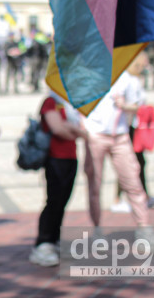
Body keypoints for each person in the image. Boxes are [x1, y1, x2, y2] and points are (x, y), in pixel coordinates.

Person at [83, 55, 154, 240]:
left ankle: (144, 227)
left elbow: (139, 106)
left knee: (133, 181)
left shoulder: (125, 78)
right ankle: (97, 229)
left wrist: (125, 106)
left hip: (120, 136)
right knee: (95, 185)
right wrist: (84, 128)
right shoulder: (88, 76)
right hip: (95, 136)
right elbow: (77, 106)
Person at [29, 92, 88, 267]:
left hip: (71, 156)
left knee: (63, 200)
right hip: (55, 157)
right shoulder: (51, 102)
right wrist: (76, 131)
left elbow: (73, 128)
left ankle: (54, 240)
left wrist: (72, 129)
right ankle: (43, 242)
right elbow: (58, 129)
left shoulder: (71, 104)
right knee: (53, 200)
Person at [112, 53, 154, 211]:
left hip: (134, 125)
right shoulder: (125, 79)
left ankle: (143, 196)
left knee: (138, 163)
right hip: (126, 127)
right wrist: (141, 108)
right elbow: (119, 103)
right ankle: (119, 199)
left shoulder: (134, 79)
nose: (146, 62)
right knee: (130, 163)